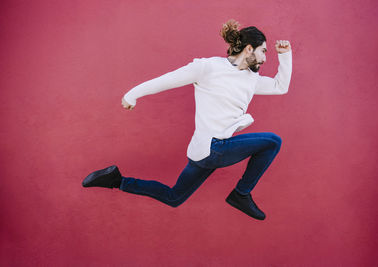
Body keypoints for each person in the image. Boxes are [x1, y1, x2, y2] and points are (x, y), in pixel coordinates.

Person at [82, 19, 292, 220]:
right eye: (263, 51)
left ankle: (116, 180)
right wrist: (132, 95)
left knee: (174, 197)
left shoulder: (251, 79)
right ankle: (241, 194)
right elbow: (167, 80)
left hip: (205, 152)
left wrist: (285, 55)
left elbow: (279, 87)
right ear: (248, 48)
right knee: (273, 141)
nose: (265, 58)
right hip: (213, 147)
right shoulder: (208, 68)